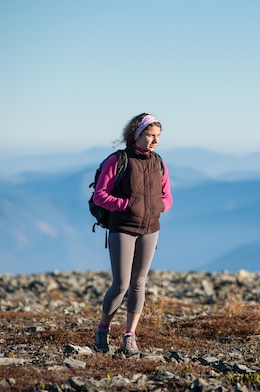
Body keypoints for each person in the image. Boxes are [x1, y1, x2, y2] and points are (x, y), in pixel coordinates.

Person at [91, 113, 173, 355]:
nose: (155, 140)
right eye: (150, 135)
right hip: (123, 229)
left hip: (150, 229)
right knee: (120, 284)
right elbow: (100, 195)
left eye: (158, 136)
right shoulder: (118, 161)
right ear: (137, 135)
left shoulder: (158, 161)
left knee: (139, 283)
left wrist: (159, 207)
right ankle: (103, 330)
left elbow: (167, 195)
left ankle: (130, 336)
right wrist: (126, 206)